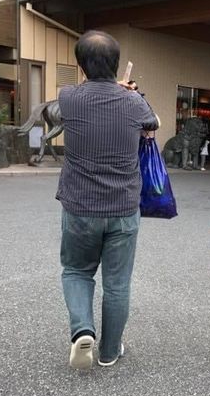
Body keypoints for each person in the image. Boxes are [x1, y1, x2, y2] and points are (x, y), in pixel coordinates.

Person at [57, 30, 159, 370]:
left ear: (81, 65)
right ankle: (110, 351)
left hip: (80, 206)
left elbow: (77, 102)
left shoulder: (68, 97)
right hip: (124, 207)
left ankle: (82, 331)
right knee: (117, 284)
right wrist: (128, 91)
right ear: (116, 65)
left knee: (76, 270)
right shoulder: (133, 102)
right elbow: (154, 123)